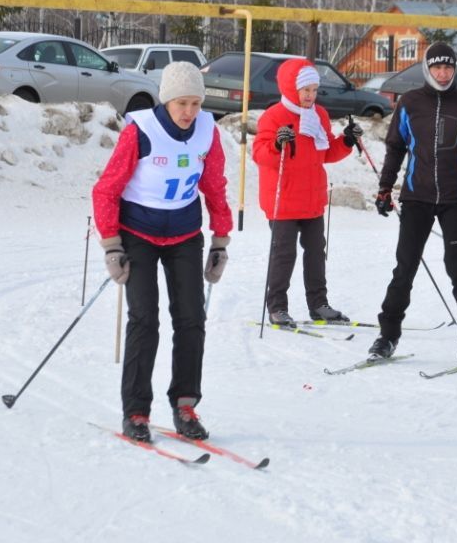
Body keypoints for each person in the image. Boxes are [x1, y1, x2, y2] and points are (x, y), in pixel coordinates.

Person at [92, 61, 232, 443]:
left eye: (196, 103)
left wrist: (221, 239)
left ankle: (185, 405)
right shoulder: (141, 131)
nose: (189, 112)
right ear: (167, 100)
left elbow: (214, 185)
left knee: (191, 320)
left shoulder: (207, 131)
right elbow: (106, 190)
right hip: (138, 233)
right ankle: (136, 411)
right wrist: (111, 245)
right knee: (144, 321)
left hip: (185, 233)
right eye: (182, 103)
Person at [368, 42, 457, 363]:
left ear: (454, 70)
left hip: (456, 200)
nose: (442, 73)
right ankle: (387, 337)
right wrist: (385, 188)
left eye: (448, 67)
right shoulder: (411, 103)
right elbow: (396, 147)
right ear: (427, 69)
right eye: (437, 67)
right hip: (416, 197)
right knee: (405, 268)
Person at [252, 57, 363, 327]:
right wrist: (277, 145)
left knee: (316, 251)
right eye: (306, 90)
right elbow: (259, 154)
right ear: (292, 88)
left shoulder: (319, 116)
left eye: (314, 90)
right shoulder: (274, 116)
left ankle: (319, 304)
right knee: (284, 254)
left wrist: (347, 140)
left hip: (312, 199)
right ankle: (277, 306)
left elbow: (326, 153)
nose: (311, 96)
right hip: (284, 200)